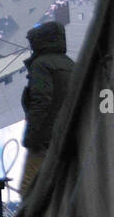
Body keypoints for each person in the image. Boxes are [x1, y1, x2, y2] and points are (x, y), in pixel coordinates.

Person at [19, 20, 75, 195]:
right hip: (66, 140)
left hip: (43, 140)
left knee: (28, 191)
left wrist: (31, 137)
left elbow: (41, 102)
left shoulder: (41, 64)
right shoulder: (70, 65)